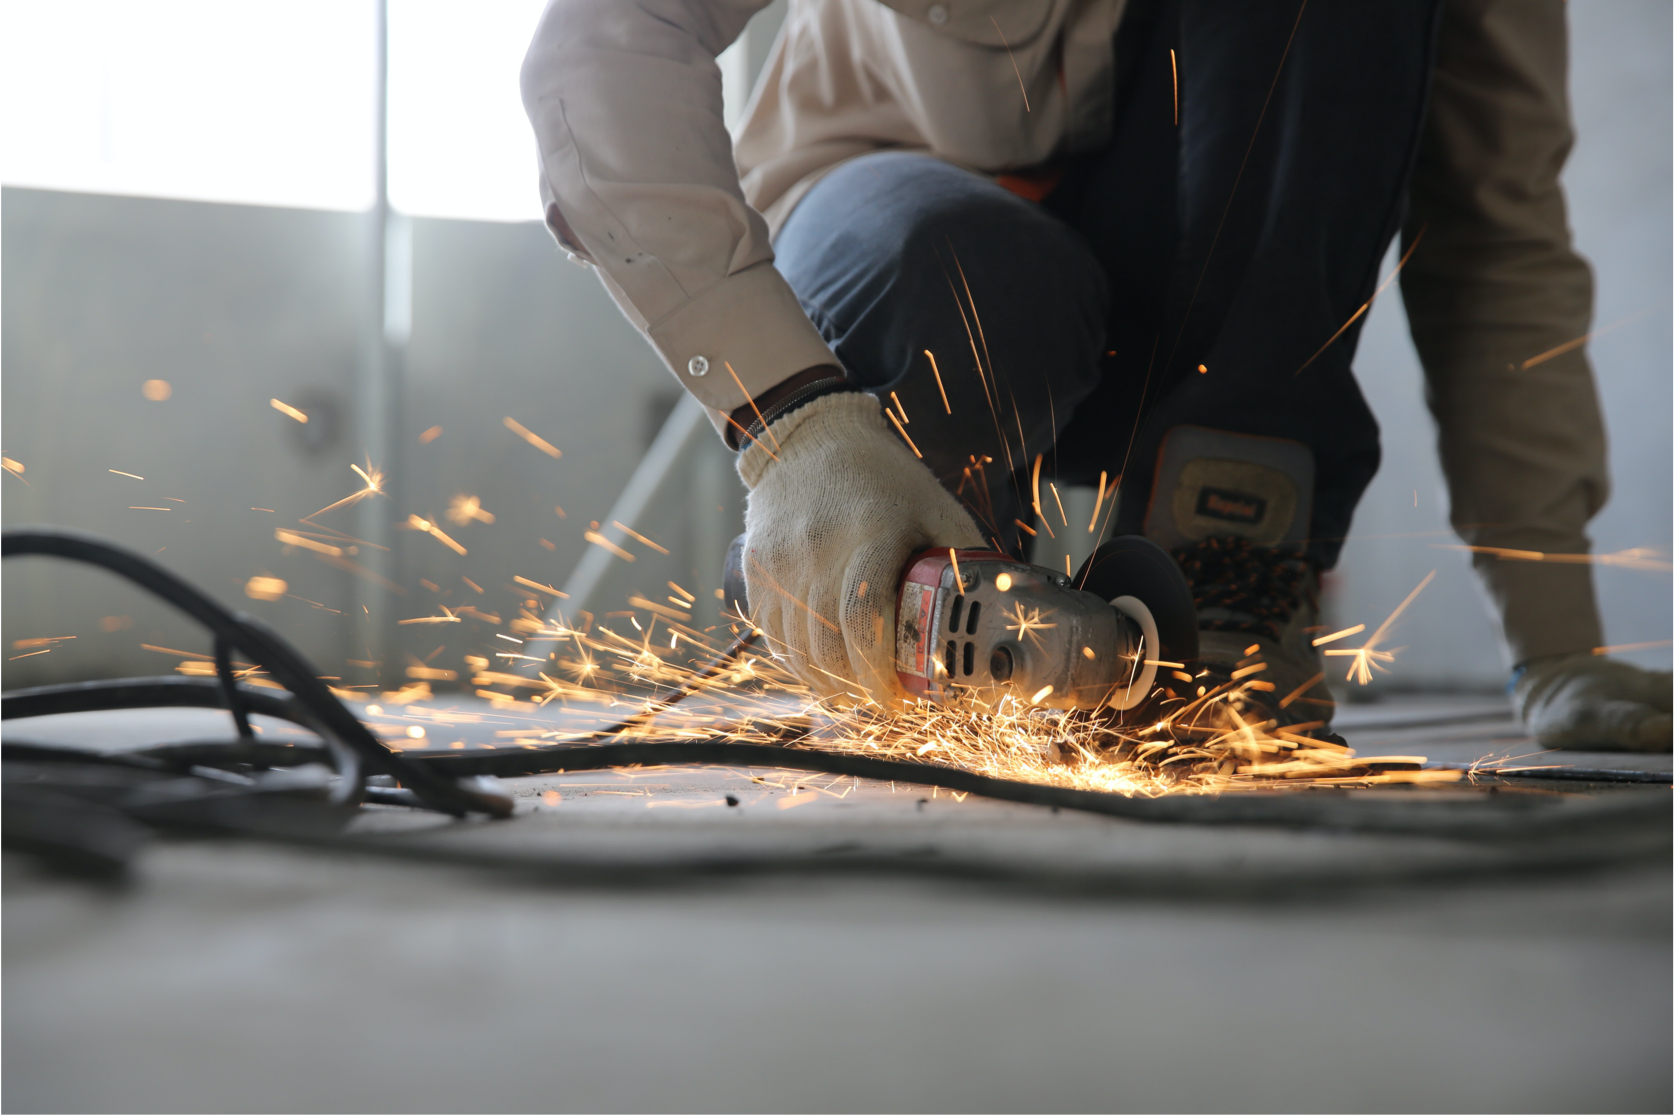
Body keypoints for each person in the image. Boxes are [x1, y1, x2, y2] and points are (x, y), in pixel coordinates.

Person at [521, 0, 1671, 751]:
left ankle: (1224, 575)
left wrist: (1558, 641)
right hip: (908, 242)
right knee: (962, 274)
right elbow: (604, 45)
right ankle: (913, 578)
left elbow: (1496, 233)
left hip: (1206, 320)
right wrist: (794, 429)